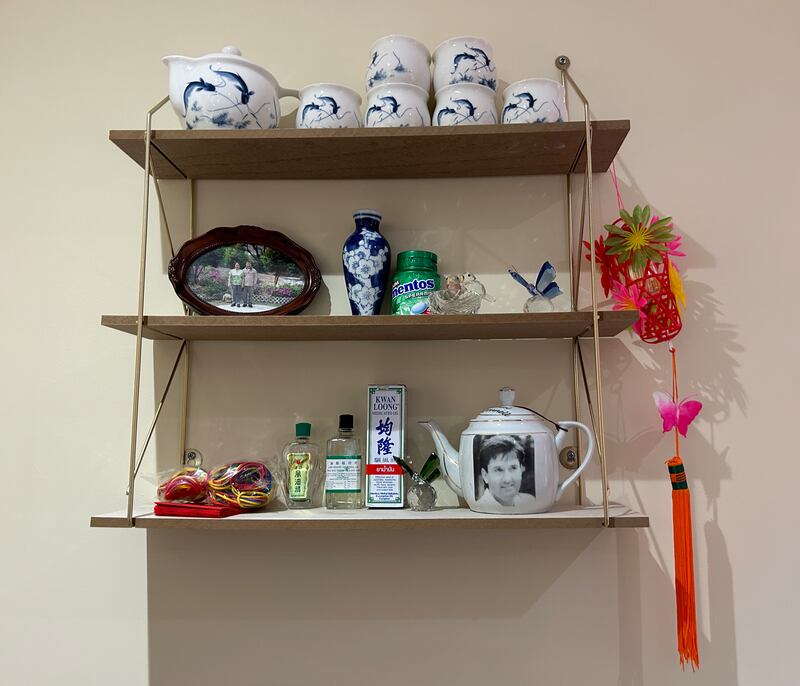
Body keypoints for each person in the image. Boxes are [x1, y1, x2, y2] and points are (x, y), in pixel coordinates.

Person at [475, 435, 535, 508]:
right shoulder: (481, 507)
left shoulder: (530, 501)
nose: (507, 479)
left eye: (513, 468)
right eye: (498, 470)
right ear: (485, 475)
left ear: (521, 469)